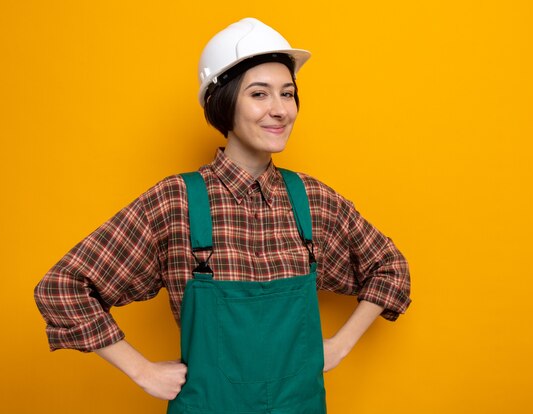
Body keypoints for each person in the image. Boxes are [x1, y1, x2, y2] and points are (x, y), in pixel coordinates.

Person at [34, 17, 411, 413]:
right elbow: (63, 286)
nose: (280, 110)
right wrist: (142, 372)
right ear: (224, 101)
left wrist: (338, 346)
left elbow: (390, 269)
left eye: (288, 93)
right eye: (259, 94)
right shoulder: (176, 201)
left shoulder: (312, 200)